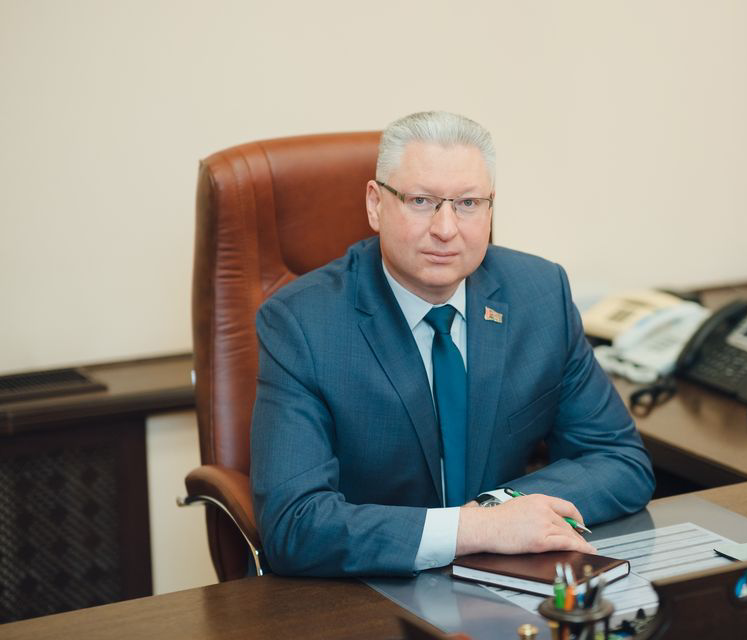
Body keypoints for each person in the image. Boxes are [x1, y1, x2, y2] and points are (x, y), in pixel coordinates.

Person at [250, 111, 655, 577]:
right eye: (421, 201)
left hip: (506, 581)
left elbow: (620, 459)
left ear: (490, 209)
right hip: (367, 587)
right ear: (375, 204)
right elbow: (294, 524)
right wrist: (474, 529)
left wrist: (499, 510)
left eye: (467, 203)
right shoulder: (303, 323)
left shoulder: (540, 296)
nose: (446, 229)